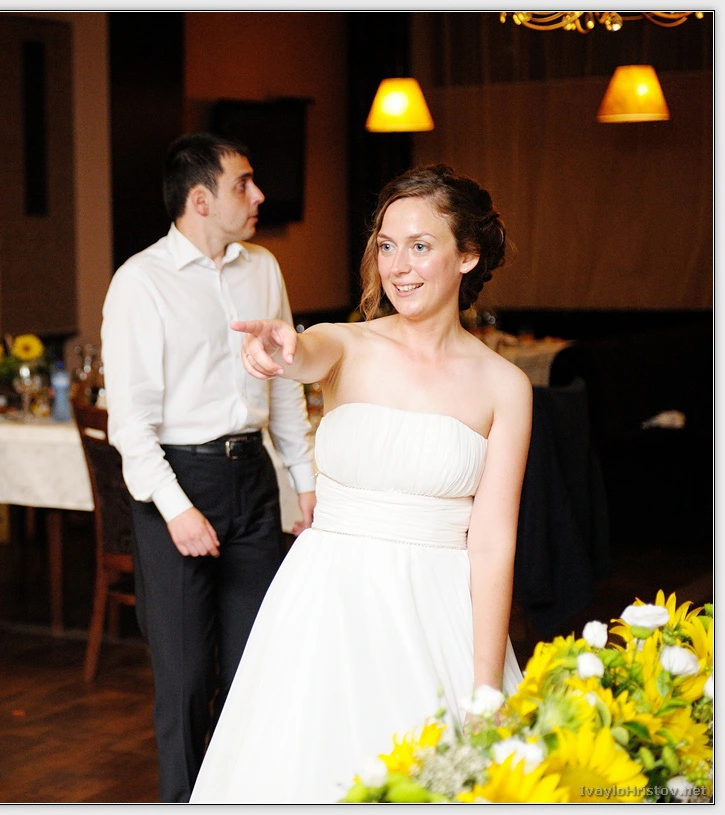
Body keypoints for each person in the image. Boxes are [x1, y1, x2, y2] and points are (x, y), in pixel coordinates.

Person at [189, 163, 531, 802]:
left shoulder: (504, 386)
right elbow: (305, 352)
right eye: (387, 245)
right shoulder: (345, 345)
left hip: (436, 612)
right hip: (327, 605)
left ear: (468, 255)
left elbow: (492, 544)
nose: (399, 266)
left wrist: (486, 688)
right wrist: (283, 349)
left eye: (420, 246)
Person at [100, 133, 317, 802]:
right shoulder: (140, 282)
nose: (258, 196)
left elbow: (284, 383)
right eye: (242, 184)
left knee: (254, 668)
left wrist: (305, 482)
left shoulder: (264, 269)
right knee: (187, 679)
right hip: (179, 484)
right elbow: (130, 424)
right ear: (200, 200)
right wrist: (176, 509)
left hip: (253, 477)